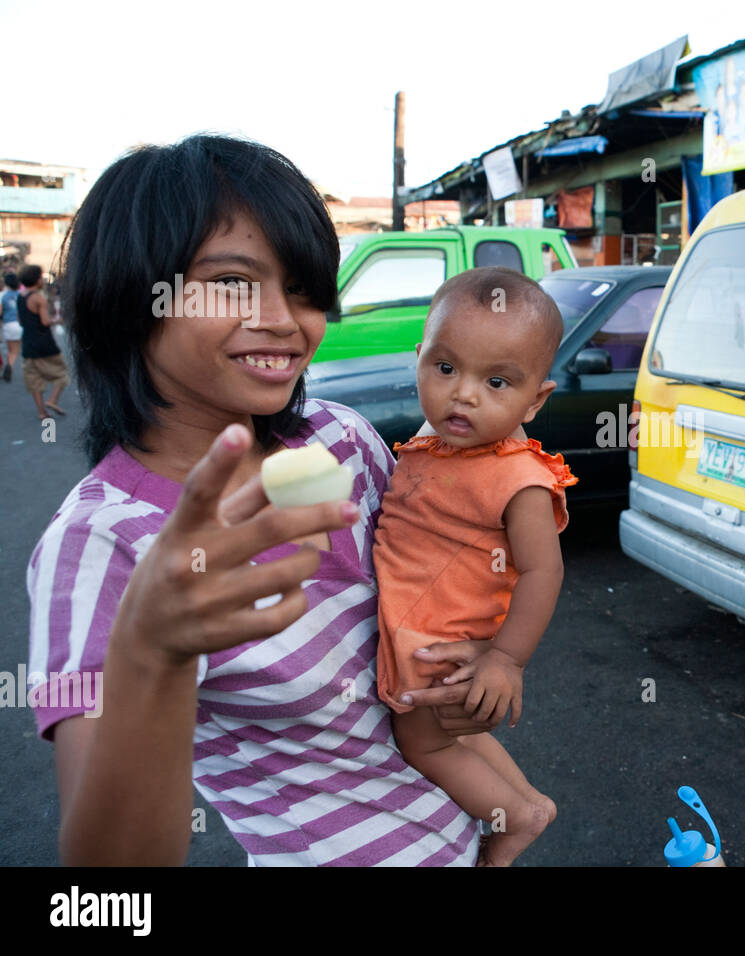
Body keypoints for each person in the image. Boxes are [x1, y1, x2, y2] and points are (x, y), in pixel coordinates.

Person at [28, 134, 499, 866]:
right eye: (235, 284)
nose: (284, 320)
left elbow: (426, 609)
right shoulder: (101, 544)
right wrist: (153, 652)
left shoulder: (342, 438)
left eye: (304, 288)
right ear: (131, 294)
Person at [374, 267, 575, 866]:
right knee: (452, 731)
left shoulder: (520, 480)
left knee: (421, 738)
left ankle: (512, 820)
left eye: (496, 381)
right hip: (418, 616)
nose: (463, 394)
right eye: (445, 368)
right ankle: (530, 803)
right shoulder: (433, 437)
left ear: (535, 400)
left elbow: (545, 572)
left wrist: (505, 659)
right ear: (419, 359)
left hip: (443, 639)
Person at [16, 263, 69, 419]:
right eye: (40, 277)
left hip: (28, 343)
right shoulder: (39, 298)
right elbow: (45, 322)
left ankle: (41, 412)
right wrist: (57, 320)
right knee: (62, 374)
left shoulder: (21, 297)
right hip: (44, 343)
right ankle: (52, 400)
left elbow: (21, 320)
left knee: (34, 380)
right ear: (36, 279)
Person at [1, 271, 20, 382]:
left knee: (10, 349)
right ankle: (10, 366)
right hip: (18, 324)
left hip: (7, 324)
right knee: (15, 351)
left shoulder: (3, 296)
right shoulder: (20, 295)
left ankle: (8, 365)